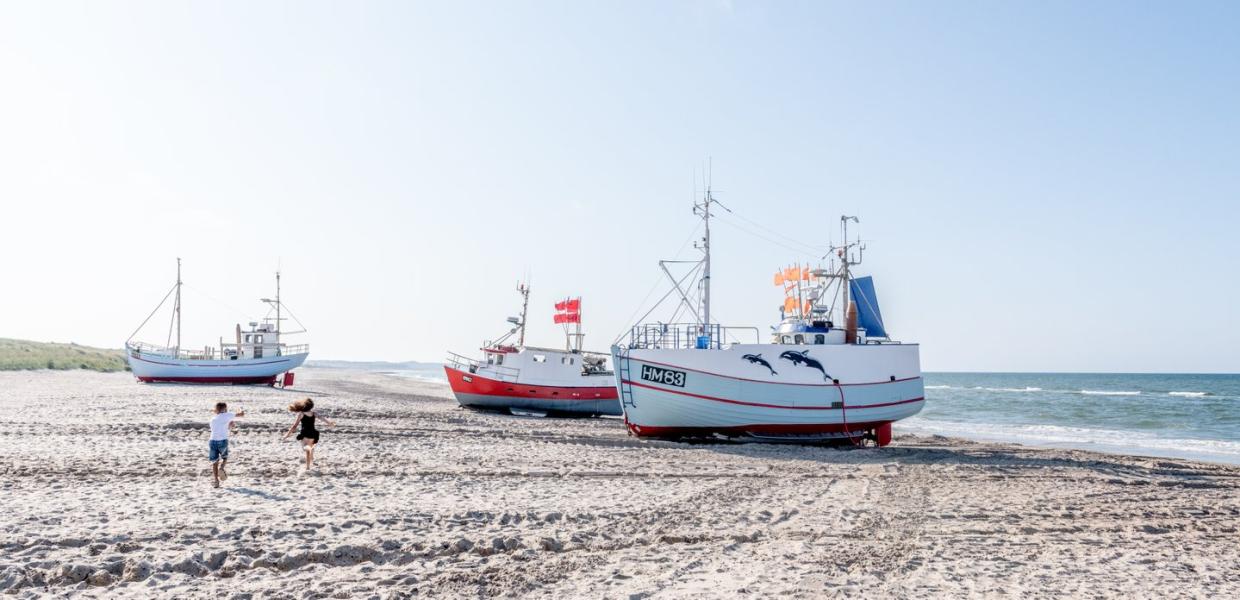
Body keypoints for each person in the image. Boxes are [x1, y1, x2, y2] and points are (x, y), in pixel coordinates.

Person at [281, 398, 335, 472]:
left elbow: (294, 426)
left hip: (305, 433)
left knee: (305, 448)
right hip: (313, 433)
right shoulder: (313, 413)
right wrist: (329, 423)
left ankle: (308, 466)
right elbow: (322, 418)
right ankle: (309, 464)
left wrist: (287, 435)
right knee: (310, 447)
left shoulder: (301, 414)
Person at [209, 402, 245, 488]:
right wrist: (241, 408)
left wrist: (229, 424)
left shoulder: (213, 419)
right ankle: (221, 468)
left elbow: (221, 427)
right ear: (224, 409)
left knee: (214, 461)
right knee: (225, 457)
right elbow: (241, 414)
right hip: (222, 441)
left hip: (212, 441)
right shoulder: (227, 415)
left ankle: (216, 481)